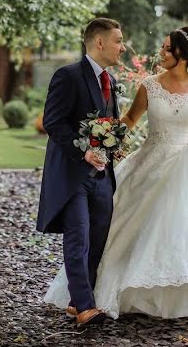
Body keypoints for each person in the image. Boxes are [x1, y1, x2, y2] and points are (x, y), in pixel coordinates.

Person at [45, 26, 188, 322]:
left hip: (185, 162)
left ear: (181, 55)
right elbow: (130, 118)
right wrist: (105, 140)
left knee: (183, 228)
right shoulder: (149, 85)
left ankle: (178, 292)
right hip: (149, 160)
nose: (160, 52)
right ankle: (100, 292)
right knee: (123, 224)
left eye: (166, 48)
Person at [36, 17, 127, 326]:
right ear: (99, 42)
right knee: (79, 237)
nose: (122, 46)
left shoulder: (111, 82)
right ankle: (87, 309)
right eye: (118, 40)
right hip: (72, 174)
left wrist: (112, 147)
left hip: (102, 175)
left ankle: (77, 302)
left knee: (98, 238)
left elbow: (108, 124)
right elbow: (53, 122)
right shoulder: (68, 75)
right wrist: (83, 151)